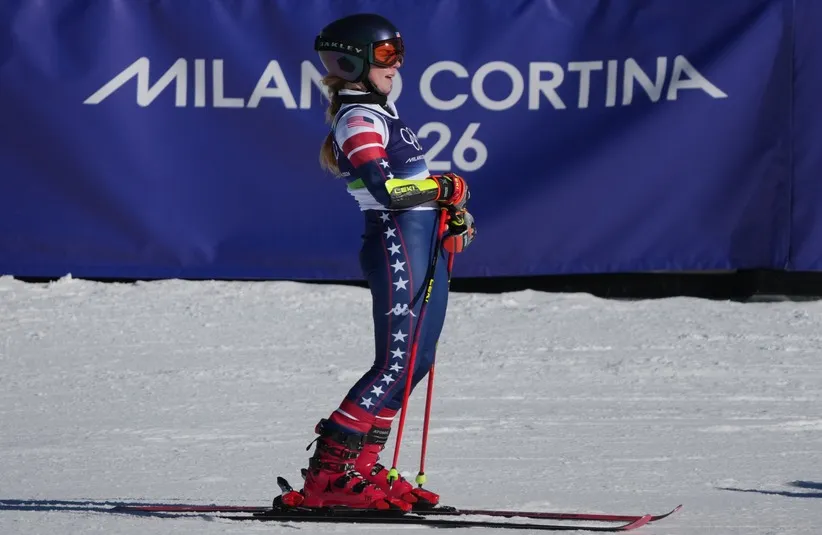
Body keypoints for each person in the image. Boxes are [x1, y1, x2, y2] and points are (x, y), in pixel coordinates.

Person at [299, 12, 477, 511]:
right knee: (394, 362)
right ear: (351, 61)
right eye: (384, 55)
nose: (396, 65)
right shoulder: (357, 118)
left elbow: (411, 191)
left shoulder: (383, 110)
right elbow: (387, 189)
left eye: (398, 53)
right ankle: (328, 477)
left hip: (421, 239)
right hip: (394, 240)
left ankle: (361, 467)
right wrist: (440, 187)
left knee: (417, 359)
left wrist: (446, 211)